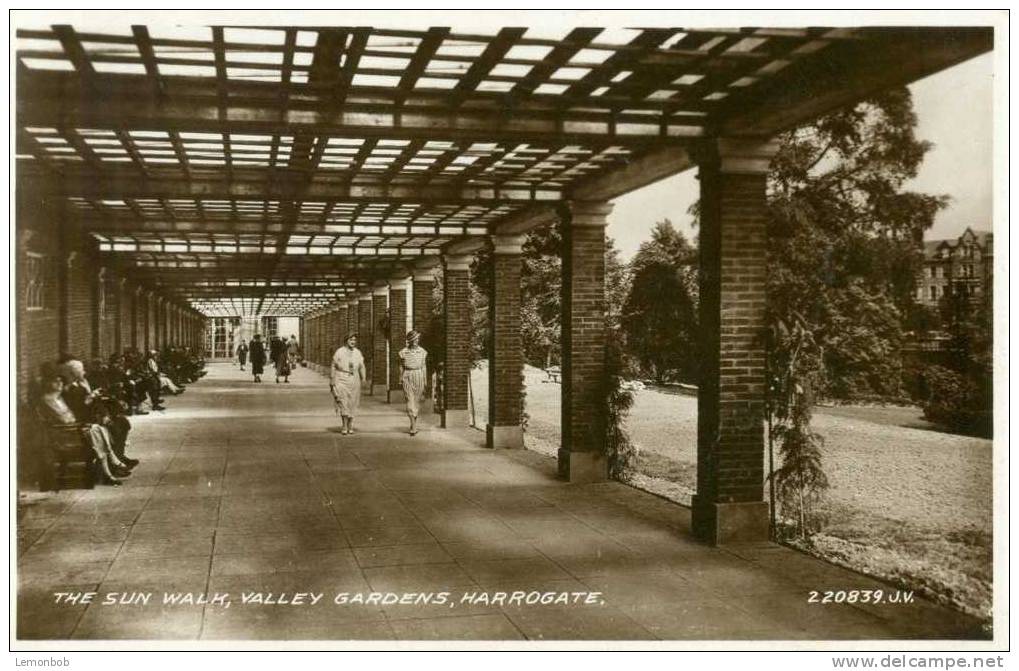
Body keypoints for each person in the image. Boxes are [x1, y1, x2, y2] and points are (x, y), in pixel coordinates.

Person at [38, 363, 128, 486]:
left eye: (60, 381)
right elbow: (65, 419)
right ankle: (111, 465)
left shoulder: (58, 398)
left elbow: (70, 415)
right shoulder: (49, 400)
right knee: (97, 430)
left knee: (98, 429)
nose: (60, 384)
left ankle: (109, 472)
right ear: (48, 384)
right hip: (67, 433)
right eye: (56, 382)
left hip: (75, 428)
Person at [331, 333, 366, 435]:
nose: (353, 342)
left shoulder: (357, 353)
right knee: (343, 401)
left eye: (354, 340)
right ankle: (344, 425)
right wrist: (332, 379)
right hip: (341, 378)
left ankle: (351, 424)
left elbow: (361, 366)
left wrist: (363, 378)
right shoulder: (339, 352)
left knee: (353, 402)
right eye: (351, 340)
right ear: (346, 340)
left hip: (354, 378)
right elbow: (333, 365)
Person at [398, 330, 428, 435]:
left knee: (416, 401)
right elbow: (401, 366)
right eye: (414, 339)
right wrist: (400, 378)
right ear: (409, 340)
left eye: (417, 339)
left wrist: (425, 380)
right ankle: (413, 427)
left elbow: (424, 366)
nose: (416, 341)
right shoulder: (403, 352)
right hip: (407, 375)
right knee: (409, 400)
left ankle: (413, 423)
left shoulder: (423, 352)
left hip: (418, 374)